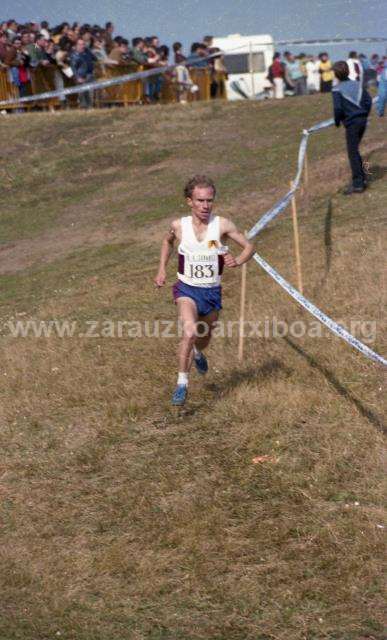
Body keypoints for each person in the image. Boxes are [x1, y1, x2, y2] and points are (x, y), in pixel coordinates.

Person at [154, 175, 255, 406]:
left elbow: (249, 246)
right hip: (186, 289)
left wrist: (237, 261)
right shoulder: (178, 226)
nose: (205, 205)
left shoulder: (222, 226)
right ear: (189, 201)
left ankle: (198, 353)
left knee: (202, 340)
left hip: (211, 293)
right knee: (189, 332)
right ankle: (182, 383)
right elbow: (167, 242)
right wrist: (161, 270)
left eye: (209, 200)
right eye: (200, 200)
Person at [332, 60, 372, 195]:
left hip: (352, 124)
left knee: (352, 153)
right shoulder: (358, 85)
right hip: (362, 121)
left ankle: (358, 184)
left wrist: (337, 121)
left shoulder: (336, 89)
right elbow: (369, 100)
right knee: (354, 150)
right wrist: (364, 114)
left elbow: (337, 109)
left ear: (336, 75)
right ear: (348, 71)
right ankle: (362, 178)